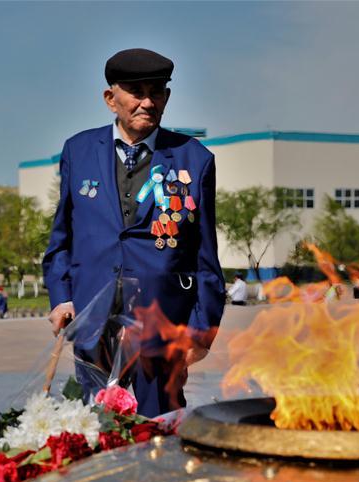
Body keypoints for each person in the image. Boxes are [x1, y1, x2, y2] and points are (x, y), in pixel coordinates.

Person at [42, 48, 226, 418]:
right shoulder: (78, 151)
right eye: (136, 92)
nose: (147, 102)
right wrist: (61, 296)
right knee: (92, 425)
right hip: (92, 317)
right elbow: (62, 238)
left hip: (161, 324)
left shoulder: (194, 158)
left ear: (167, 97)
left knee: (159, 425)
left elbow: (205, 256)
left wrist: (201, 331)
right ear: (111, 99)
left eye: (156, 92)